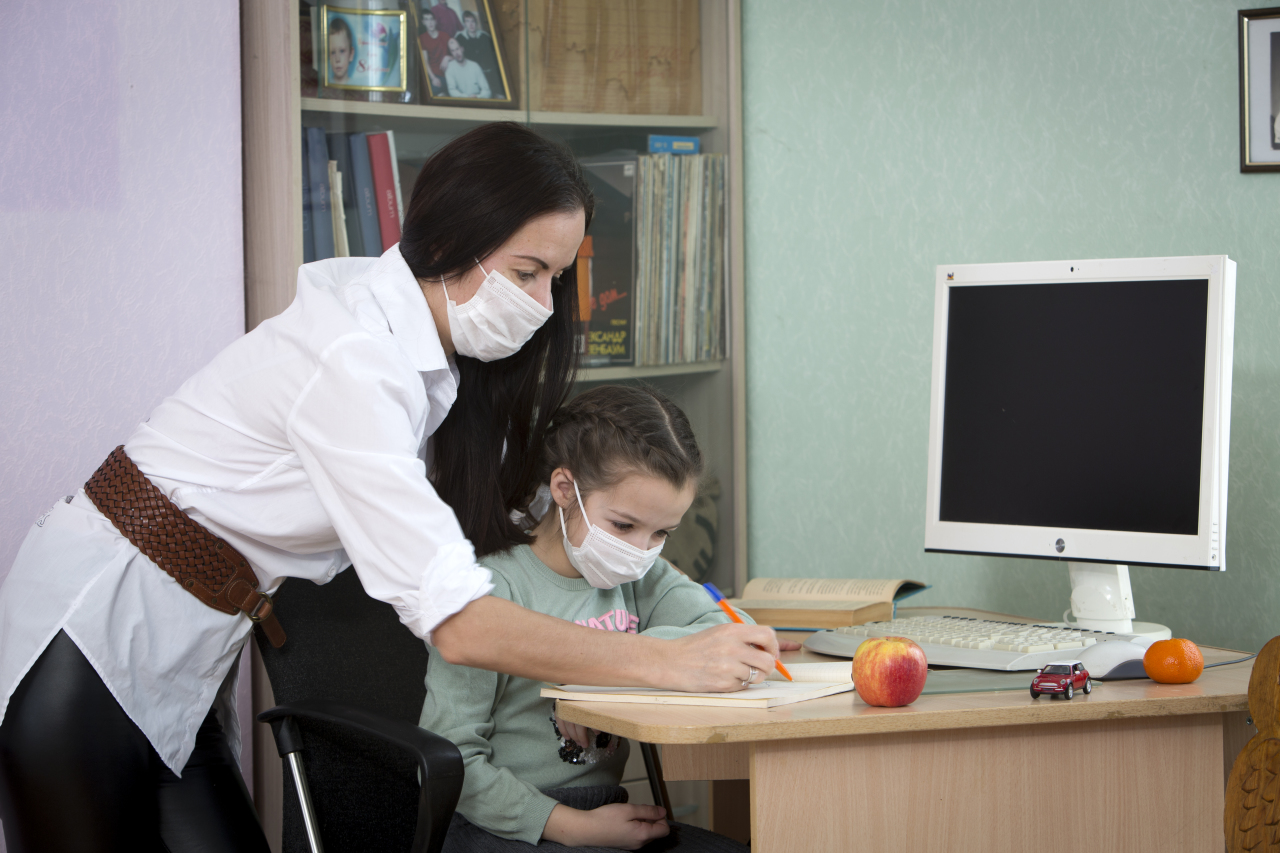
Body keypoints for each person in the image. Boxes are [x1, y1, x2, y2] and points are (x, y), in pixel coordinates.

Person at [0, 123, 780, 853]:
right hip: (92, 642)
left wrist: (695, 613)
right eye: (527, 271)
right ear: (448, 241)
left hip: (189, 658)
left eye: (557, 277)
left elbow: (540, 523)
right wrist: (663, 661)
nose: (544, 306)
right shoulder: (352, 358)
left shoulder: (433, 368)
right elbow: (462, 626)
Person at [421, 385, 752, 852]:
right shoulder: (491, 591)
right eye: (623, 525)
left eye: (662, 532)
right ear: (564, 489)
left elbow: (731, 637)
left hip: (606, 810)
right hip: (503, 821)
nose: (641, 550)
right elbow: (453, 760)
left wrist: (600, 685)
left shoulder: (641, 575)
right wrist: (571, 827)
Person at [455, 10, 502, 97]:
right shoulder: (459, 38)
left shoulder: (485, 36)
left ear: (476, 22)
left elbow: (494, 56)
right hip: (471, 74)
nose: (471, 24)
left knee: (497, 95)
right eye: (467, 21)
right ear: (464, 23)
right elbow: (455, 55)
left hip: (487, 72)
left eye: (472, 21)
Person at [418, 9, 451, 96]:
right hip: (435, 75)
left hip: (450, 74)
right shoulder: (422, 38)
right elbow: (425, 61)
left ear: (435, 21)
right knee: (439, 96)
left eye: (432, 19)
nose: (430, 22)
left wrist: (448, 57)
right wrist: (433, 78)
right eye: (426, 19)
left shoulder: (445, 35)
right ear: (423, 22)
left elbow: (458, 54)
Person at [327, 16, 356, 86]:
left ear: (351, 54)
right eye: (333, 52)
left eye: (342, 51)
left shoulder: (356, 85)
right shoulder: (326, 85)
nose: (337, 59)